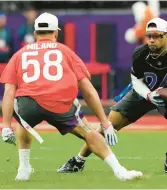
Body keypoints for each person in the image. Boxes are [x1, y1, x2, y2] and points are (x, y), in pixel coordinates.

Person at [0, 12, 143, 181]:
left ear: (35, 33)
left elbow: (9, 92)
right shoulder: (65, 52)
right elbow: (88, 90)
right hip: (60, 104)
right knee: (89, 133)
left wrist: (6, 125)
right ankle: (120, 171)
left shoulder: (19, 54)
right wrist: (104, 122)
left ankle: (23, 169)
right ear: (56, 32)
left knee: (23, 120)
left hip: (28, 104)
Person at [58, 17, 167, 175]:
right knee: (107, 127)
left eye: (157, 36)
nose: (151, 40)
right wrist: (148, 95)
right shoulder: (140, 53)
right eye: (149, 36)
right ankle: (78, 160)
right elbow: (136, 81)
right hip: (142, 93)